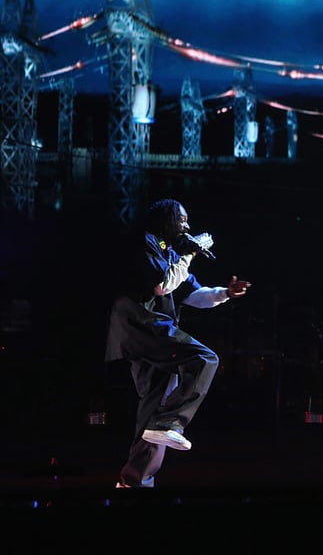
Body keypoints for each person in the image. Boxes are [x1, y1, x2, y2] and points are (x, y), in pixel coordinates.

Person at [105, 198, 251, 488]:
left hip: (145, 333)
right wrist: (188, 256)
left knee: (155, 405)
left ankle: (134, 480)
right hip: (141, 324)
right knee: (204, 359)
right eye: (182, 220)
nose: (187, 226)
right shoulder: (147, 241)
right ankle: (171, 421)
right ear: (167, 219)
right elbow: (162, 285)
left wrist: (226, 293)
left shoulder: (172, 252)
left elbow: (193, 294)